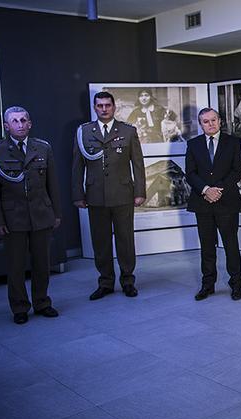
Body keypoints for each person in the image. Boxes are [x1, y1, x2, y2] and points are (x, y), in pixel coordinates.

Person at [0, 107, 61, 324]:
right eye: (15, 121)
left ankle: (42, 302)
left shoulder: (43, 147)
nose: (20, 124)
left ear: (30, 124)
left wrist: (56, 213)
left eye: (23, 120)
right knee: (16, 266)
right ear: (6, 126)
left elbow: (53, 184)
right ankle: (19, 307)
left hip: (41, 214)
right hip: (13, 218)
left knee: (42, 263)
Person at [72, 91, 146, 300]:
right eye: (100, 105)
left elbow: (138, 164)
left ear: (114, 107)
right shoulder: (84, 132)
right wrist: (78, 194)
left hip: (123, 194)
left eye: (107, 105)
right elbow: (77, 166)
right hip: (95, 196)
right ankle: (105, 282)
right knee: (100, 242)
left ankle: (128, 281)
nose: (104, 109)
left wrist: (140, 192)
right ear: (94, 108)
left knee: (125, 240)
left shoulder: (128, 131)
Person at [185, 108, 241, 301]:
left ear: (220, 121)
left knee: (231, 245)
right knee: (207, 247)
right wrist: (206, 190)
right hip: (202, 202)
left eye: (213, 120)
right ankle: (207, 285)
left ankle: (236, 284)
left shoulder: (233, 142)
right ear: (201, 124)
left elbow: (237, 171)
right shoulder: (193, 144)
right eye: (206, 121)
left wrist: (217, 190)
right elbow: (190, 173)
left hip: (226, 202)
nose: (210, 124)